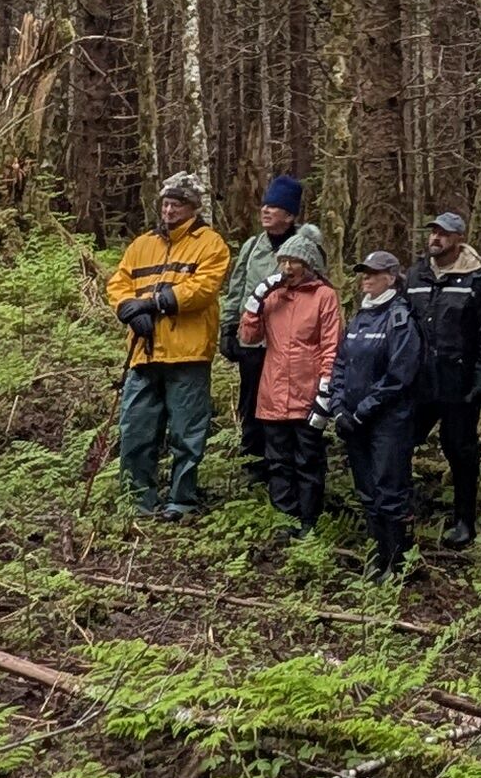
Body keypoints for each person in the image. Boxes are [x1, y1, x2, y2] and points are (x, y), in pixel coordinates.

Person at [107, 173, 231, 517]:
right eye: (166, 203)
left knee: (186, 433)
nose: (170, 210)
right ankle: (137, 500)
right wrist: (128, 310)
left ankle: (181, 500)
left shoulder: (210, 244)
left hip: (188, 354)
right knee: (136, 429)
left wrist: (155, 303)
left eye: (177, 204)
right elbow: (119, 282)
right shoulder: (142, 244)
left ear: (193, 207)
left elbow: (203, 288)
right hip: (143, 353)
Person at [405, 211, 481, 549]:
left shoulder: (477, 281)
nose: (435, 238)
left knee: (460, 450)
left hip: (458, 383)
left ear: (458, 239)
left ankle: (464, 521)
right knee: (401, 439)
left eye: (444, 234)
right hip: (419, 381)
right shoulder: (415, 275)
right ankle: (404, 507)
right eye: (433, 232)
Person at [325, 249, 431, 578]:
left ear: (390, 278)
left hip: (389, 422)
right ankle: (377, 555)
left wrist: (364, 410)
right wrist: (338, 407)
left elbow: (400, 376)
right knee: (367, 491)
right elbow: (341, 363)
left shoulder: (400, 319)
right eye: (363, 273)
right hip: (354, 421)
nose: (365, 279)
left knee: (390, 489)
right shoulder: (360, 317)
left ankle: (398, 562)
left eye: (372, 273)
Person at [236, 225, 340, 529]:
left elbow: (331, 347)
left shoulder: (324, 296)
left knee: (307, 460)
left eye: (294, 261)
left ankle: (308, 522)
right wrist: (256, 299)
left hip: (307, 396)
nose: (287, 267)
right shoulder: (274, 297)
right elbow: (249, 337)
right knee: (278, 462)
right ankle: (285, 521)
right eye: (283, 261)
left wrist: (325, 393)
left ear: (309, 265)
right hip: (272, 395)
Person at [222, 175, 309, 467]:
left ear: (290, 215)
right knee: (251, 400)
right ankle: (253, 459)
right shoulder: (252, 247)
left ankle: (285, 462)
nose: (266, 211)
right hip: (253, 340)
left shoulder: (304, 246)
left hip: (290, 341)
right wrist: (228, 328)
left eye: (274, 207)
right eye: (264, 206)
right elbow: (237, 288)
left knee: (286, 402)